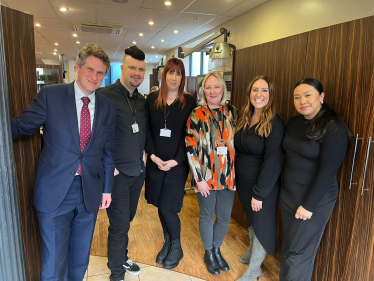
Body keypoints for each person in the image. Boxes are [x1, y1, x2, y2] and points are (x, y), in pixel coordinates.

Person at [10, 44, 116, 281]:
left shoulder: (108, 106)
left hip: (89, 191)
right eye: (90, 69)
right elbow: (21, 125)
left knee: (79, 259)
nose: (94, 76)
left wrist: (107, 188)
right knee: (55, 261)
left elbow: (108, 151)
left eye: (100, 73)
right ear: (77, 67)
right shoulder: (52, 95)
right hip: (55, 191)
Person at [280, 78, 351, 281]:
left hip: (314, 199)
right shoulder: (294, 122)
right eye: (297, 97)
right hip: (289, 194)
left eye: (308, 95)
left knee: (299, 253)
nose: (302, 100)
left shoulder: (333, 127)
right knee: (288, 247)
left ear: (321, 96)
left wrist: (309, 205)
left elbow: (328, 171)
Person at [98, 45, 146, 281]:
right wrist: (110, 168)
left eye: (140, 69)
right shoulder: (105, 95)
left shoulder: (141, 100)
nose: (136, 72)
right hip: (117, 176)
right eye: (132, 67)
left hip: (138, 173)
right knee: (119, 226)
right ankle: (116, 272)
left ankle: (120, 257)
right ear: (122, 68)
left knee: (126, 220)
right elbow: (94, 135)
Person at [145, 58, 196, 270]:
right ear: (163, 75)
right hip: (156, 162)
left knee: (169, 207)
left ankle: (176, 245)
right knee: (159, 203)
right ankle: (167, 241)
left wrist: (176, 160)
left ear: (182, 78)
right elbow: (147, 131)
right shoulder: (152, 99)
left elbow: (190, 135)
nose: (174, 78)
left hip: (177, 164)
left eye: (178, 74)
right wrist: (154, 156)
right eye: (170, 73)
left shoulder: (189, 102)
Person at [186, 71, 237, 275]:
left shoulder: (231, 112)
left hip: (228, 176)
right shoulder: (196, 114)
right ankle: (209, 252)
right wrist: (198, 179)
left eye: (217, 87)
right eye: (208, 87)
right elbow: (191, 147)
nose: (212, 91)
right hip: (205, 177)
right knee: (207, 215)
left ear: (223, 90)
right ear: (203, 90)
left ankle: (217, 249)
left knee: (224, 217)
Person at [234, 75, 284, 281]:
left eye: (264, 90)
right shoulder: (245, 116)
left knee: (262, 224)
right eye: (255, 90)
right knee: (252, 221)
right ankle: (252, 251)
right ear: (249, 93)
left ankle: (254, 268)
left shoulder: (275, 123)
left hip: (263, 186)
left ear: (271, 95)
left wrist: (260, 194)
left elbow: (273, 161)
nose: (259, 94)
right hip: (244, 183)